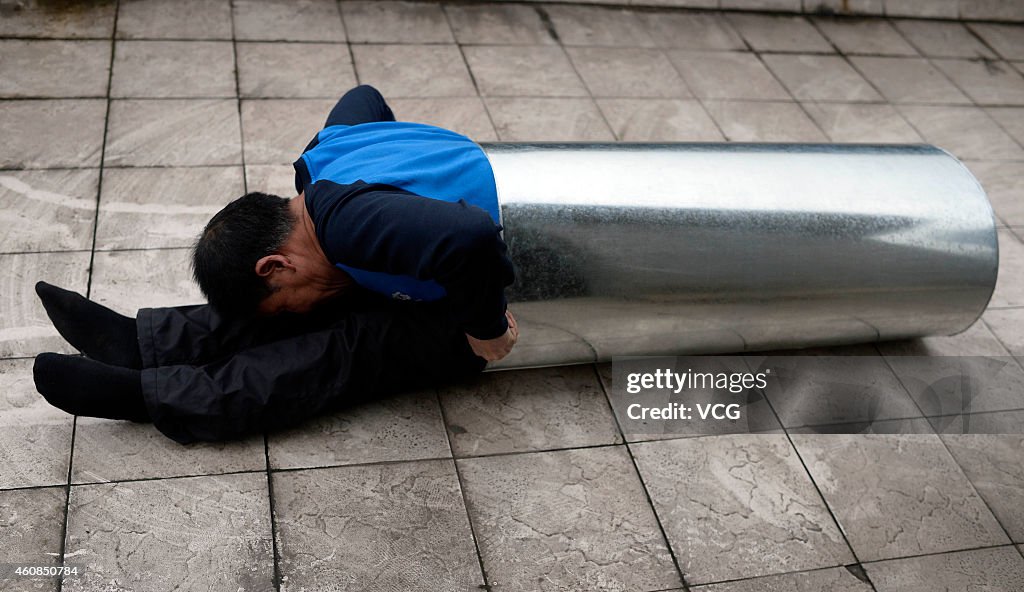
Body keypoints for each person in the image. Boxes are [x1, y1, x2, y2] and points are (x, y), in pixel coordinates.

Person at [32, 85, 517, 444]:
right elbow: (363, 97)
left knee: (347, 347)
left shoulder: (349, 222)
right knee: (313, 302)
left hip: (497, 294)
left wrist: (487, 327)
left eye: (284, 303)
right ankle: (142, 343)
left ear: (273, 265)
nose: (292, 310)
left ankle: (153, 396)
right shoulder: (323, 156)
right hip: (447, 268)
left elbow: (470, 237)